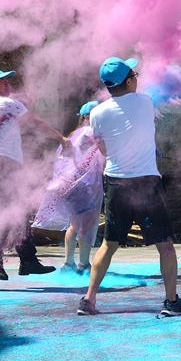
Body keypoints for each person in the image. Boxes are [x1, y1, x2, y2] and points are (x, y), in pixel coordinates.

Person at [77, 57, 181, 316]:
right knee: (165, 244)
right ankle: (171, 301)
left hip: (115, 182)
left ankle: (88, 299)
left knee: (109, 243)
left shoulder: (96, 113)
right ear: (129, 81)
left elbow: (103, 148)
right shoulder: (144, 101)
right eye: (135, 75)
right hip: (146, 183)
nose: (138, 78)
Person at [0, 67, 63, 280]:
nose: (7, 84)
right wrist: (62, 139)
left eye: (7, 80)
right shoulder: (4, 103)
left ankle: (28, 261)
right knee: (12, 213)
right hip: (1, 163)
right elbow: (35, 123)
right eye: (1, 81)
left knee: (21, 214)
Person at [33, 101, 105, 274]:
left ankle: (68, 263)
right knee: (86, 225)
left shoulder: (74, 135)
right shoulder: (90, 133)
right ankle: (83, 264)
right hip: (84, 186)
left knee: (74, 224)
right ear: (88, 117)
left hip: (69, 184)